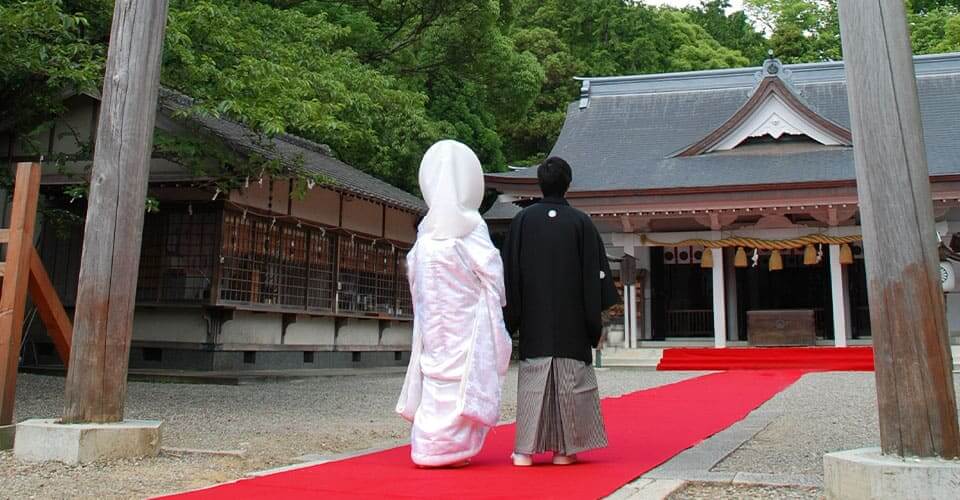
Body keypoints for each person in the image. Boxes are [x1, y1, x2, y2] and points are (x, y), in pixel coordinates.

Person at [396, 140, 513, 467]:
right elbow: (492, 271)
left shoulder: (426, 233)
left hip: (434, 320)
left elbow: (414, 277)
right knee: (461, 377)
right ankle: (453, 449)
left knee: (435, 374)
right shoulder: (471, 226)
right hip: (464, 320)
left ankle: (427, 446)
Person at [502, 156, 620, 467]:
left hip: (534, 323)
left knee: (532, 383)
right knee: (571, 384)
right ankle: (565, 450)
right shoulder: (581, 223)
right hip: (573, 326)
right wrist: (594, 322)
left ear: (539, 183)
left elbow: (510, 275)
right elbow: (597, 278)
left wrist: (510, 318)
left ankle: (524, 450)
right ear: (568, 184)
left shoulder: (522, 222)